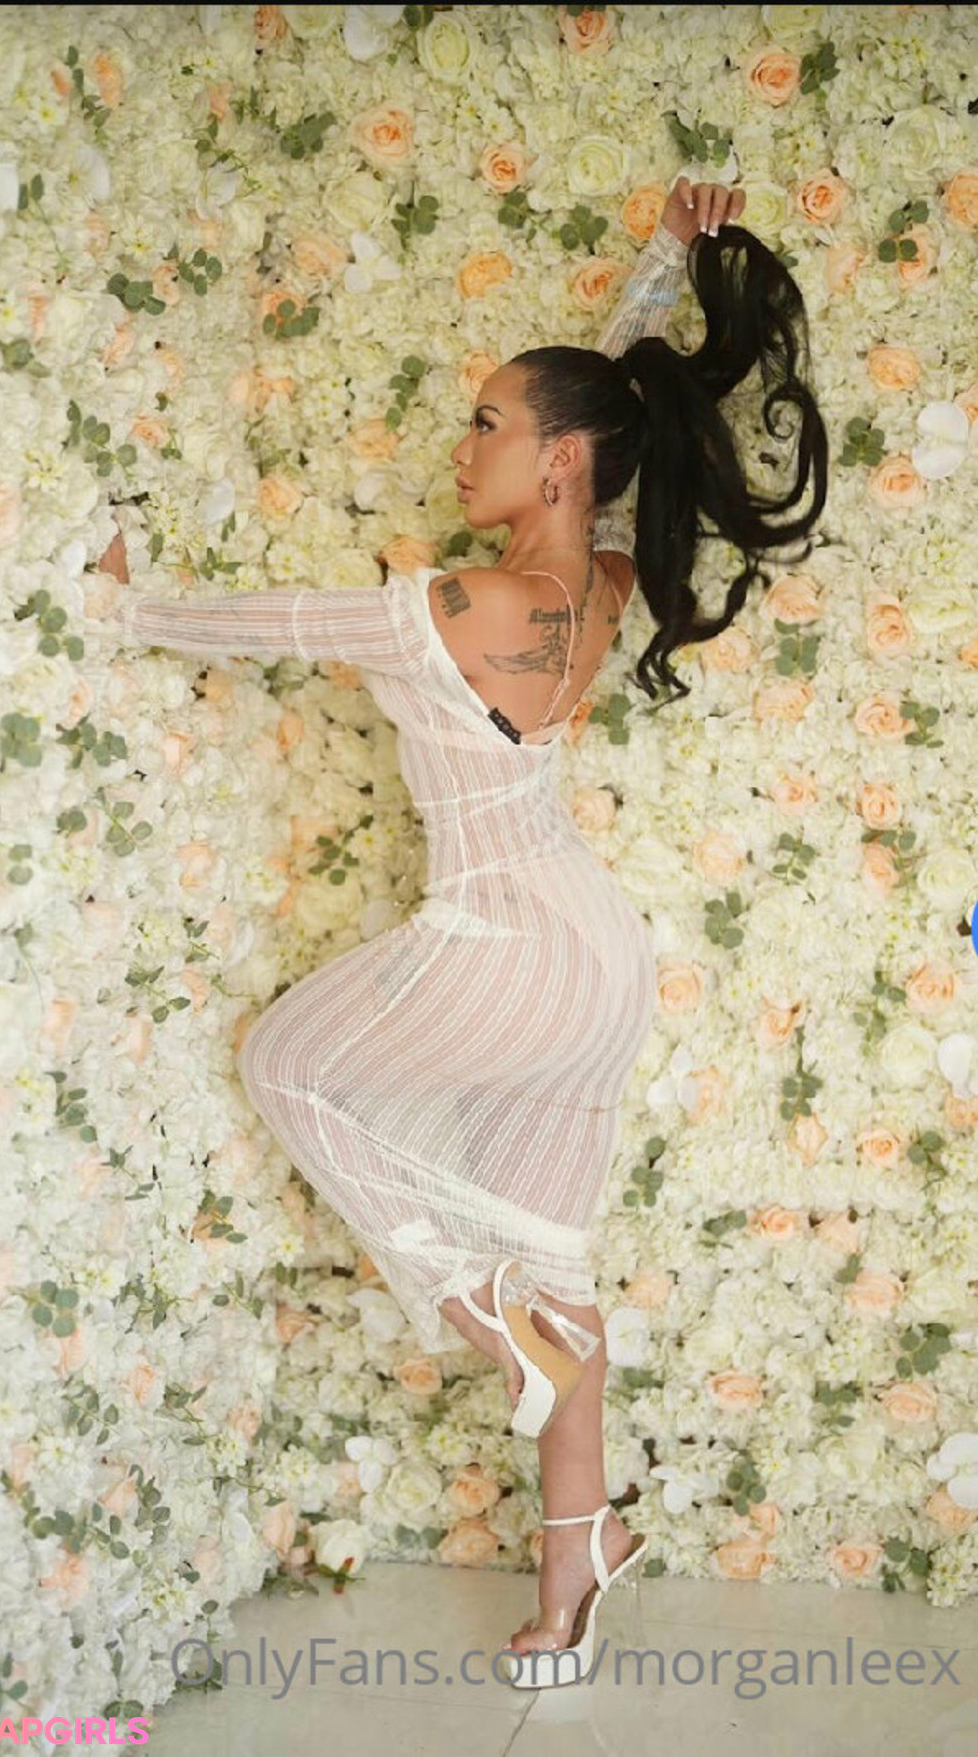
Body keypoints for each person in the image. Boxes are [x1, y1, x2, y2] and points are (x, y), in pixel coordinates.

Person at [91, 175, 828, 1687]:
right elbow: (599, 413)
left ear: (552, 459)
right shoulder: (601, 582)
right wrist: (663, 262)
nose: (462, 444)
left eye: (487, 422)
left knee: (288, 1065)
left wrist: (124, 606)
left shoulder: (446, 607)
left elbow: (270, 624)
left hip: (500, 938)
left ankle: (492, 1320)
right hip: (600, 963)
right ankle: (576, 1565)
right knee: (557, 1254)